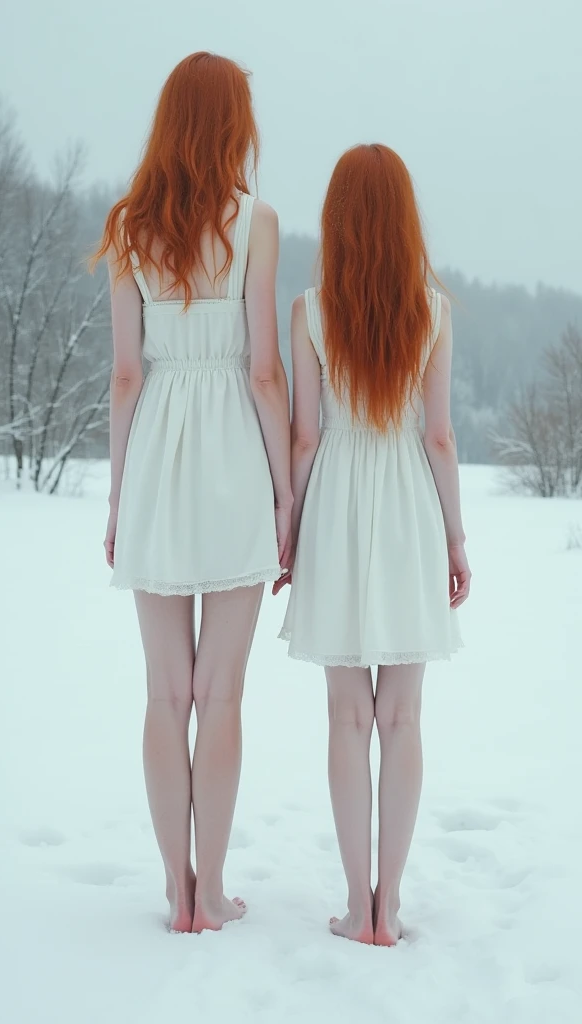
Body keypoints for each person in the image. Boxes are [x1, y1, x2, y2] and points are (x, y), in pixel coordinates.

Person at [93, 52, 292, 934]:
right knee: (223, 693)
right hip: (235, 464)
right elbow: (264, 372)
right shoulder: (256, 222)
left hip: (157, 462)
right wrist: (288, 496)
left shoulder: (129, 227)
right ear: (233, 123)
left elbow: (126, 376)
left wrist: (117, 495)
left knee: (163, 693)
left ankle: (175, 886)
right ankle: (209, 892)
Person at [275, 144, 470, 946]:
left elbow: (306, 439)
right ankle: (392, 905)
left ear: (338, 222)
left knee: (347, 718)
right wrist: (455, 538)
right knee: (404, 718)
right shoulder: (434, 310)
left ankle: (360, 907)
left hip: (337, 513)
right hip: (409, 511)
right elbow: (441, 437)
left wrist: (288, 533)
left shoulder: (311, 311)